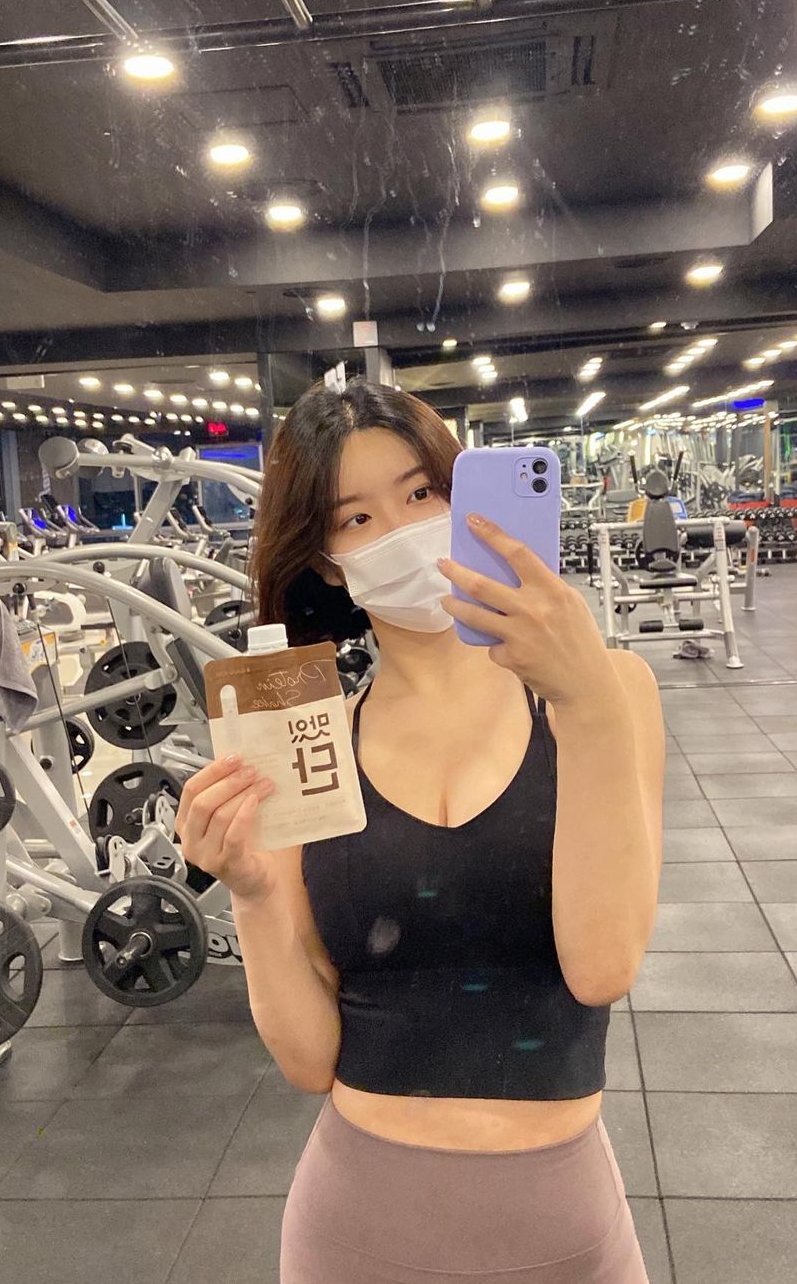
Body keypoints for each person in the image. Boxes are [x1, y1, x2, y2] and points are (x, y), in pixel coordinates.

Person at [177, 378, 664, 1282]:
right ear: (328, 561)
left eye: (421, 492)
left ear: (464, 491)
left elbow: (602, 965)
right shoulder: (305, 741)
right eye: (356, 518)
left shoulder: (610, 693)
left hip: (564, 1233)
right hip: (355, 1228)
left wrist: (587, 699)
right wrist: (250, 890)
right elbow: (309, 1058)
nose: (402, 531)